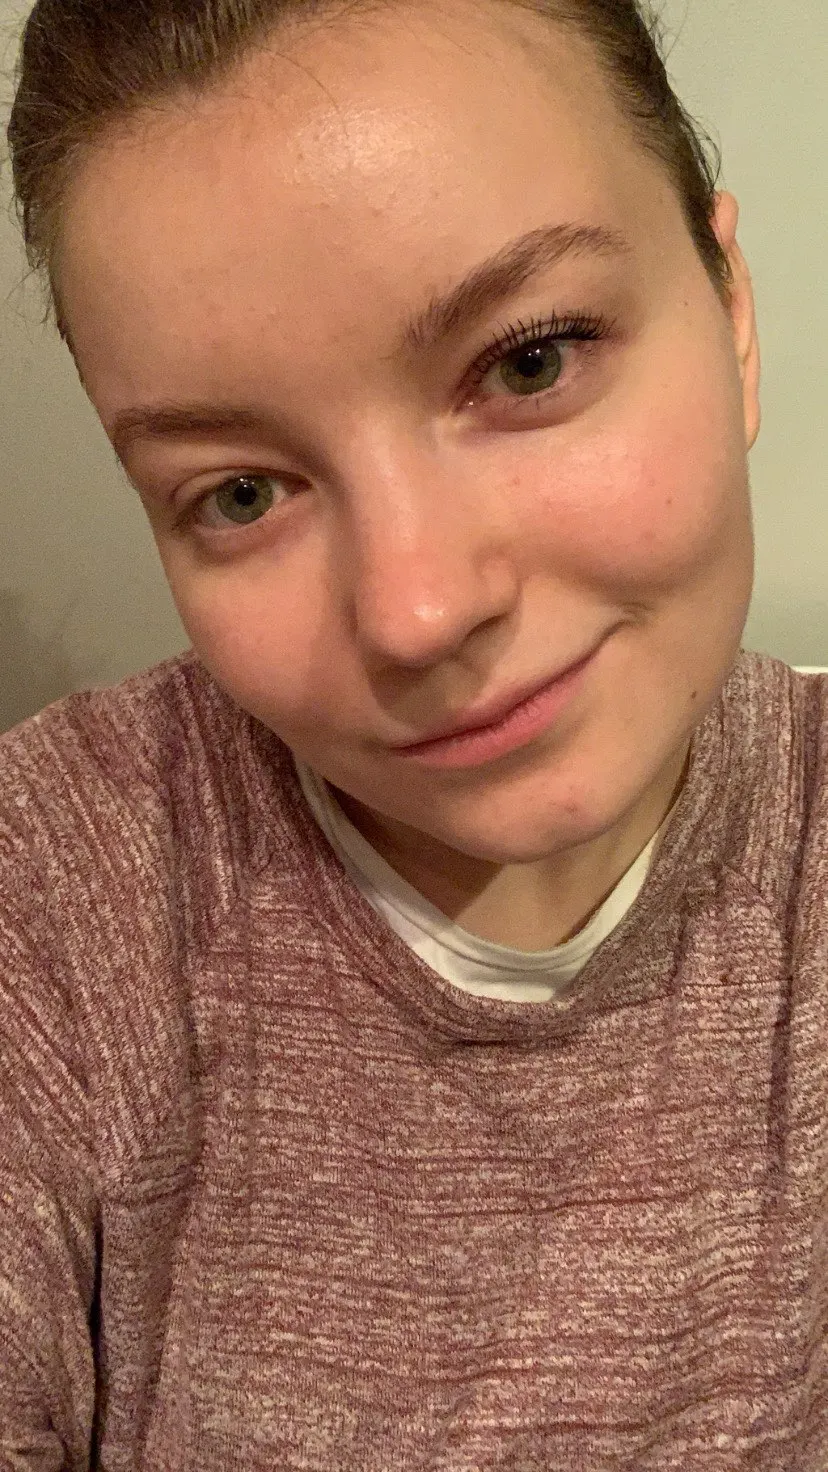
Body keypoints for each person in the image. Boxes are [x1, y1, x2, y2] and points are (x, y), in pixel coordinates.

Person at [1, 0, 826, 1464]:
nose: (415, 611)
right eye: (241, 492)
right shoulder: (63, 889)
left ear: (734, 314)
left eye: (529, 362)